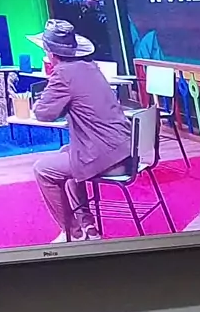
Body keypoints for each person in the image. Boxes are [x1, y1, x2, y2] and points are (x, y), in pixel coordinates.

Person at [30, 19, 132, 242]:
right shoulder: (90, 67)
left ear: (50, 53)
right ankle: (88, 226)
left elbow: (43, 113)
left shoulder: (63, 74)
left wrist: (41, 99)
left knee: (43, 170)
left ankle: (73, 233)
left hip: (108, 157)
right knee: (67, 151)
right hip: (125, 149)